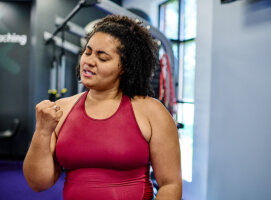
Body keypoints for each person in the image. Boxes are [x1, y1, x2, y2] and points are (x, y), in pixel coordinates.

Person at [23, 15, 182, 200]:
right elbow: (38, 183)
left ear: (124, 67)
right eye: (87, 52)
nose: (89, 61)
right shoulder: (62, 109)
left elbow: (170, 184)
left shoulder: (151, 112)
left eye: (102, 57)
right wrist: (42, 131)